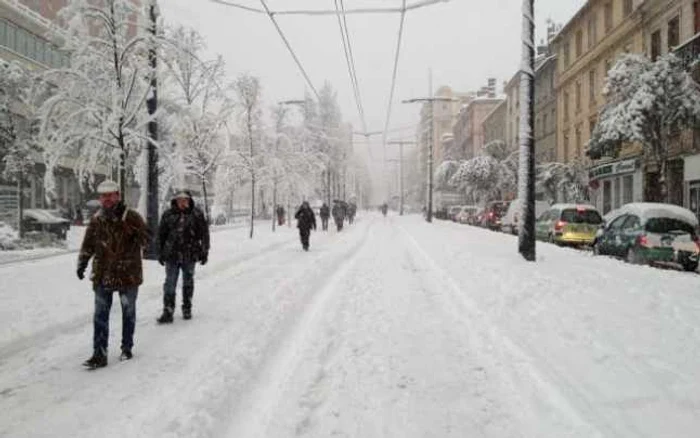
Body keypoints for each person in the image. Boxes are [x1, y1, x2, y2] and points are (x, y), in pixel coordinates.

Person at [76, 180, 149, 369]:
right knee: (100, 315)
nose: (106, 199)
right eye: (103, 196)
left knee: (128, 312)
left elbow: (148, 239)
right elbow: (88, 244)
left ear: (117, 195)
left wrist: (134, 232)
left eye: (110, 195)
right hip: (103, 273)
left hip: (128, 273)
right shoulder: (97, 219)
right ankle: (99, 354)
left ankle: (126, 347)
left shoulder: (132, 216)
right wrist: (82, 263)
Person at [156, 190, 210, 323]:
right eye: (180, 199)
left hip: (190, 254)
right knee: (169, 283)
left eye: (185, 199)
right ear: (175, 201)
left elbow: (204, 234)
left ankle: (187, 307)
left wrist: (204, 251)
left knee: (188, 281)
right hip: (171, 255)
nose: (182, 202)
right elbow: (161, 234)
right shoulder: (168, 215)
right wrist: (160, 252)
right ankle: (168, 311)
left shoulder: (196, 214)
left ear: (189, 200)